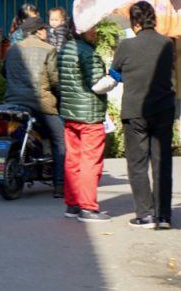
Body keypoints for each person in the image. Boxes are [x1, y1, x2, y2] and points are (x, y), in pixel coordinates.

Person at [112, 1, 175, 230]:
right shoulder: (167, 43)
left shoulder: (126, 46)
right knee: (162, 163)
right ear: (153, 19)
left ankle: (146, 215)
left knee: (137, 164)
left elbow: (115, 71)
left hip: (135, 111)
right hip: (164, 110)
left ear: (135, 22)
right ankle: (164, 216)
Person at [3, 16, 66, 198]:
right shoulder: (49, 49)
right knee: (60, 139)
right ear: (38, 31)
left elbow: (4, 72)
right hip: (40, 103)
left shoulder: (13, 49)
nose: (47, 32)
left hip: (13, 103)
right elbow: (54, 80)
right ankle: (60, 185)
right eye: (45, 29)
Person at [58, 25, 109, 221]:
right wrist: (113, 79)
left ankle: (72, 205)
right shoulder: (88, 53)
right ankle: (88, 208)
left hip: (70, 114)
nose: (95, 32)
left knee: (73, 160)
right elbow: (98, 85)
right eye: (92, 28)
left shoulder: (64, 49)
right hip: (89, 115)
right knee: (90, 161)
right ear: (81, 30)